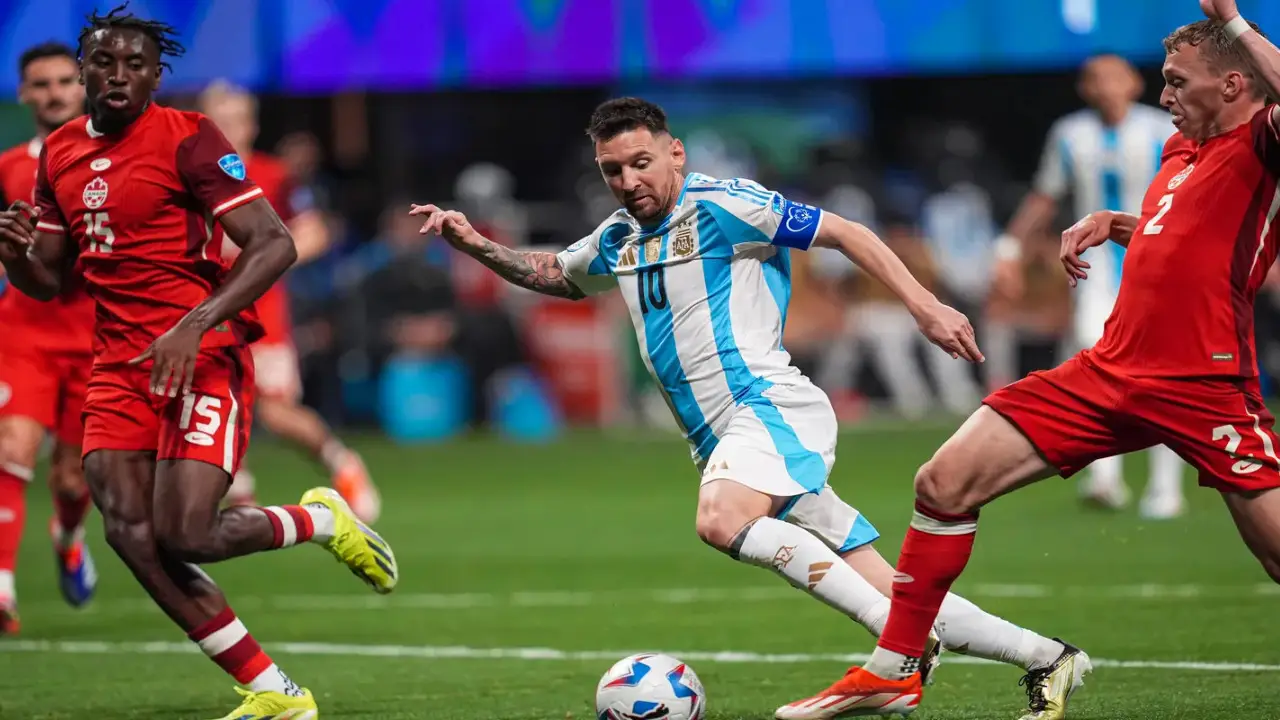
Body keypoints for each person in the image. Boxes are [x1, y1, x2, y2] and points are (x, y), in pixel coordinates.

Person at [412, 97, 1087, 720]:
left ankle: (897, 656)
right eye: (612, 170)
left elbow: (847, 233)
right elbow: (555, 274)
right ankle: (1048, 658)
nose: (628, 181)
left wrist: (924, 305)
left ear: (675, 153)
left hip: (768, 407)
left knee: (721, 518)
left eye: (640, 163)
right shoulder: (617, 236)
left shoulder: (726, 205)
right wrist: (477, 246)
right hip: (725, 441)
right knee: (905, 595)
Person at [782, 4, 1280, 717]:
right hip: (1108, 371)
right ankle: (895, 669)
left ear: (1233, 84)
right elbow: (1187, 233)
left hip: (1205, 383)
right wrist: (1117, 223)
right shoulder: (1178, 152)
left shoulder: (1263, 140)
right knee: (944, 482)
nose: (1162, 96)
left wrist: (1233, 20)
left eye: (1175, 82)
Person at [0, 7, 397, 718]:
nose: (118, 76)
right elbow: (50, 280)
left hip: (202, 356)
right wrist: (14, 254)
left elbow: (273, 242)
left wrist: (195, 322)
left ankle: (318, 521)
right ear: (87, 71)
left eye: (134, 65)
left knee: (186, 533)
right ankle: (275, 693)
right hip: (118, 366)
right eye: (104, 63)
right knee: (128, 532)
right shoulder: (57, 153)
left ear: (156, 76)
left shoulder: (190, 140)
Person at [993, 54, 1186, 518]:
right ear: (1084, 87)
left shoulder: (1164, 128)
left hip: (1157, 260)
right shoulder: (1069, 134)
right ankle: (1105, 479)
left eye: (1113, 76)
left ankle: (1165, 487)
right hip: (1096, 264)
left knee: (1163, 371)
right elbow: (1046, 194)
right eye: (1095, 78)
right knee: (1097, 361)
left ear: (1134, 83)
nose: (1105, 86)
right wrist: (1009, 248)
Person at [197, 80, 382, 523]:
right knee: (210, 400)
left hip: (262, 310)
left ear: (252, 124)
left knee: (277, 413)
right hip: (202, 307)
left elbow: (315, 232)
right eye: (218, 120)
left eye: (237, 119)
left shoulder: (274, 174)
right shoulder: (188, 175)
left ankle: (342, 461)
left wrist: (262, 261)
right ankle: (237, 493)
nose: (229, 128)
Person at [0, 41, 98, 633]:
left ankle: (67, 534)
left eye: (65, 81)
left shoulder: (111, 159)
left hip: (96, 337)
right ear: (23, 93)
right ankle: (3, 590)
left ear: (82, 86)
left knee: (71, 476)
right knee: (11, 450)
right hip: (25, 334)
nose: (55, 92)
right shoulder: (9, 166)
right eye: (42, 84)